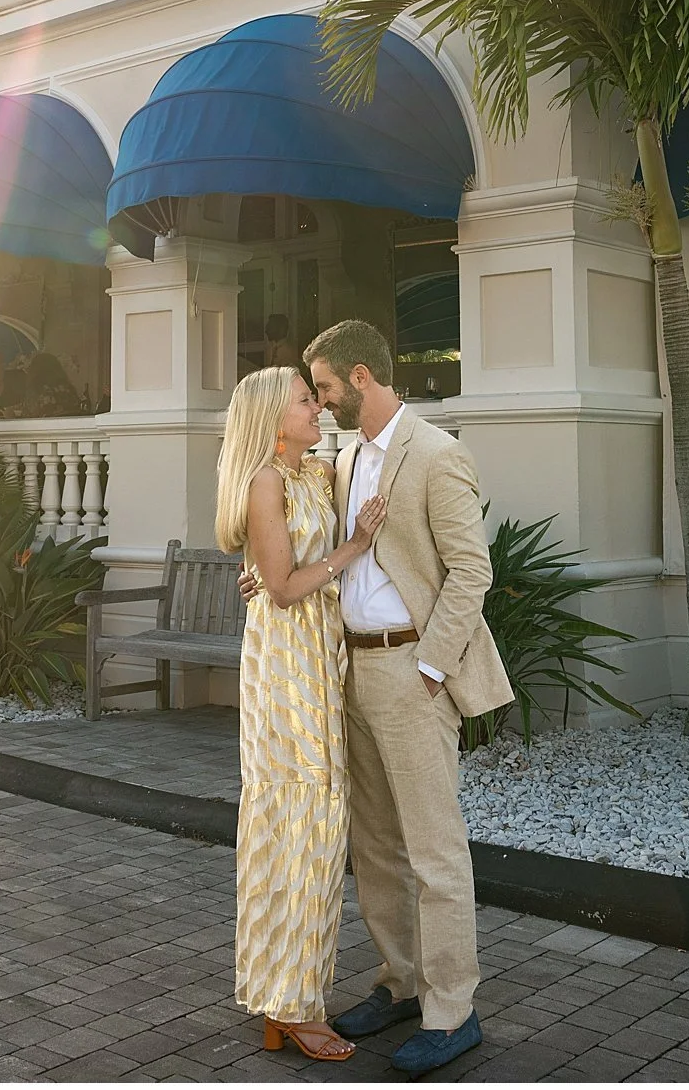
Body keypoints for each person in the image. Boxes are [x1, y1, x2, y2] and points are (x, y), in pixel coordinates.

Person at [256, 318, 513, 1076]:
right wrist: (259, 575)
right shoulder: (339, 461)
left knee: (434, 850)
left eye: (327, 387)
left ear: (362, 376)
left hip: (411, 672)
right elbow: (310, 549)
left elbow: (473, 573)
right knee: (373, 849)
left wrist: (431, 669)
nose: (322, 400)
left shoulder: (436, 454)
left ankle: (451, 1010)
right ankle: (401, 982)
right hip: (351, 671)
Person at [216, 365, 389, 1063]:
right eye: (303, 400)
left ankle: (288, 993)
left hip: (318, 656)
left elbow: (277, 568)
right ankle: (290, 1003)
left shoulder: (316, 471)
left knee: (315, 822)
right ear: (270, 415)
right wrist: (353, 550)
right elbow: (283, 588)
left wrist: (275, 568)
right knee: (301, 821)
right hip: (286, 663)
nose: (316, 406)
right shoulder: (264, 480)